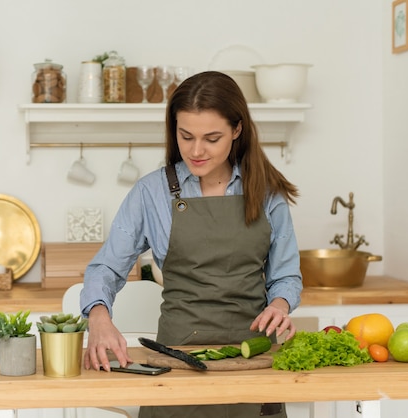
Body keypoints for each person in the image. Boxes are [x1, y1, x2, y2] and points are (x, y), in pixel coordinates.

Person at [80, 71, 302, 418]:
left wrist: (280, 304)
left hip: (253, 361)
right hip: (176, 364)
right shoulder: (151, 193)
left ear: (237, 130)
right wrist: (98, 316)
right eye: (186, 136)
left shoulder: (267, 193)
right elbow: (106, 267)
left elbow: (286, 276)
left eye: (212, 138)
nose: (196, 151)